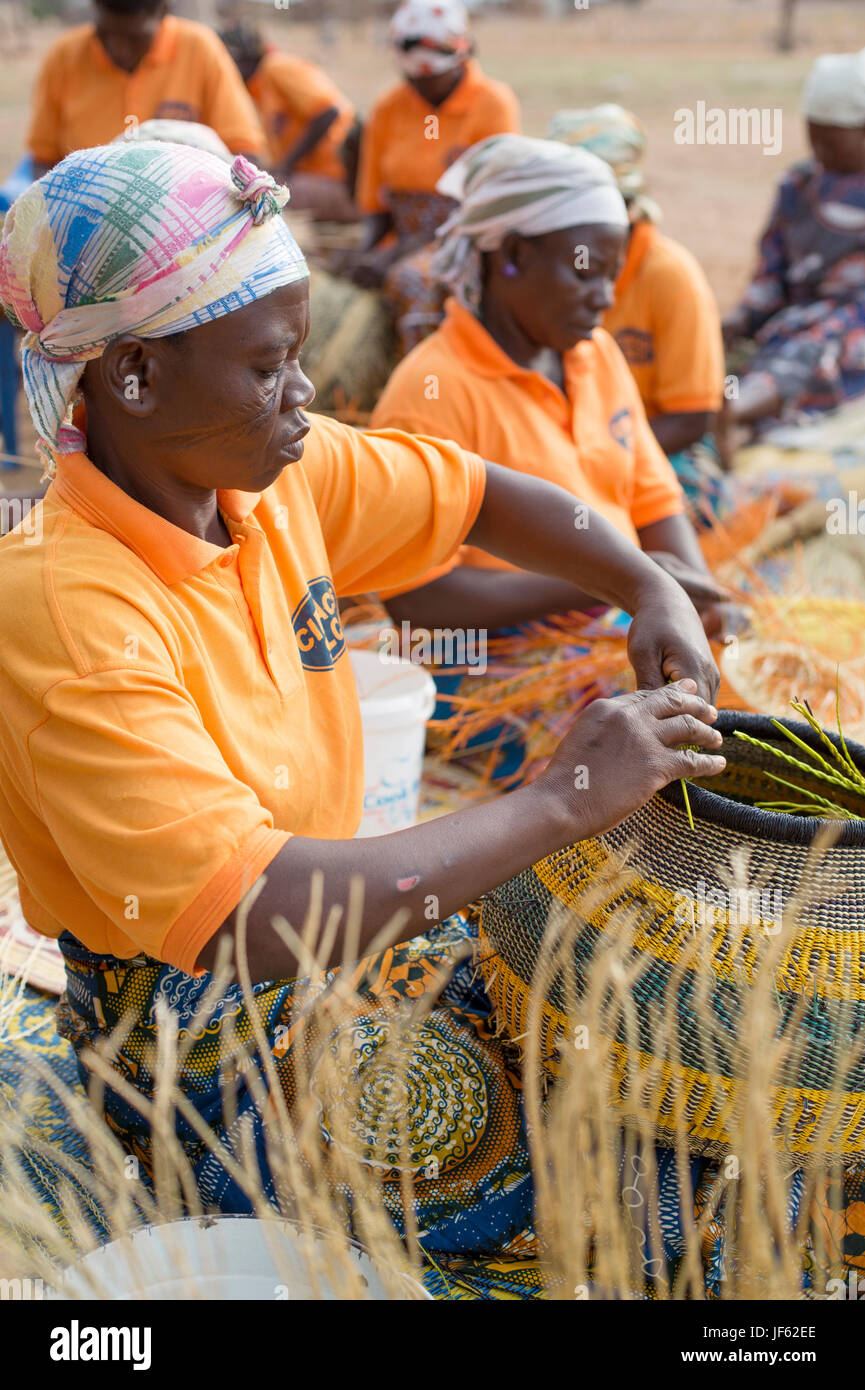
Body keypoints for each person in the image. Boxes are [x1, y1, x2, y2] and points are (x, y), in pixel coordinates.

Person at [0, 140, 723, 1253]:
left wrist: (642, 580)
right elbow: (252, 915)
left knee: (633, 1055)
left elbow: (480, 493)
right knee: (577, 1185)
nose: (304, 394)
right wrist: (562, 799)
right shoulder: (62, 608)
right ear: (134, 375)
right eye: (269, 364)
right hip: (200, 1025)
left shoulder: (268, 481)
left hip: (341, 937)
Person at [370, 135, 730, 645]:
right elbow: (419, 598)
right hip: (504, 654)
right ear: (513, 255)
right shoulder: (432, 392)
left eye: (613, 276)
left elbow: (653, 503)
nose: (604, 299)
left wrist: (695, 605)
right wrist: (613, 583)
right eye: (586, 274)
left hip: (622, 615)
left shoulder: (596, 354)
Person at [548, 105, 725, 515]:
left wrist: (597, 462)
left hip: (654, 445)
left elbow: (691, 419)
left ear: (627, 206)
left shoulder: (670, 276)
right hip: (565, 442)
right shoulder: (548, 271)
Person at [344, 0, 519, 355]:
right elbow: (376, 207)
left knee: (416, 280)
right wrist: (363, 254)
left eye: (431, 78)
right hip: (403, 241)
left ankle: (424, 387)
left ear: (459, 58)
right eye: (413, 78)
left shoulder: (492, 104)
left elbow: (490, 204)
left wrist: (398, 254)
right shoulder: (388, 107)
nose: (421, 87)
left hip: (470, 237)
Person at [723, 48, 865, 435]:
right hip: (793, 323)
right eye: (814, 138)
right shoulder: (799, 185)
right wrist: (739, 319)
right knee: (727, 353)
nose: (821, 152)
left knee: (815, 348)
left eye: (834, 143)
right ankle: (735, 413)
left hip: (851, 329)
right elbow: (770, 275)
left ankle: (734, 416)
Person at [26, 0, 265, 178]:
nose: (119, 50)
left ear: (164, 10)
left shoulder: (200, 49)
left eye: (135, 38)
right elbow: (42, 160)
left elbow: (244, 155)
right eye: (106, 34)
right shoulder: (64, 56)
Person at [220, 23, 357, 222]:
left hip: (337, 180)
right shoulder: (258, 88)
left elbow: (328, 113)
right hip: (314, 179)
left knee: (263, 200)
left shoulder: (276, 67)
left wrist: (285, 166)